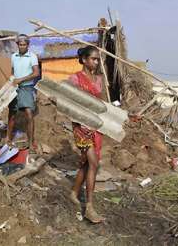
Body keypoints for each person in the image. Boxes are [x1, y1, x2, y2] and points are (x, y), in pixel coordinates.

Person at [68, 46, 105, 223]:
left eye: (97, 59)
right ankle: (89, 207)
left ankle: (74, 192)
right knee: (94, 163)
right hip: (81, 128)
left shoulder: (99, 79)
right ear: (83, 59)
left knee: (87, 164)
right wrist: (82, 123)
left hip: (95, 126)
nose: (96, 62)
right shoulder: (75, 79)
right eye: (93, 59)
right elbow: (69, 103)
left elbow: (102, 104)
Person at [7, 34, 40, 153]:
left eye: (24, 45)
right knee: (12, 114)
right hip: (15, 88)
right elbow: (12, 72)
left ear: (28, 45)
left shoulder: (32, 56)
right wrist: (12, 80)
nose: (22, 47)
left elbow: (36, 73)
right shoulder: (13, 56)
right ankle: (8, 139)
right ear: (17, 45)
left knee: (29, 115)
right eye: (20, 45)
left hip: (26, 88)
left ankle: (31, 143)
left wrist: (21, 79)